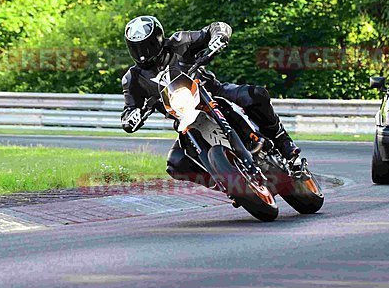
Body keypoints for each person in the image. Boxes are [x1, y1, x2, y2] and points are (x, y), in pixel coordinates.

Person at [120, 16, 300, 185]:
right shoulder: (133, 78)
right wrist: (131, 118)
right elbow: (129, 110)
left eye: (147, 45)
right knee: (176, 164)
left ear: (158, 38)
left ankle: (284, 144)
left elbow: (215, 28)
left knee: (255, 95)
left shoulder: (179, 42)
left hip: (214, 92)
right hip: (185, 119)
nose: (143, 52)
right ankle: (225, 183)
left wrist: (218, 37)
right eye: (137, 48)